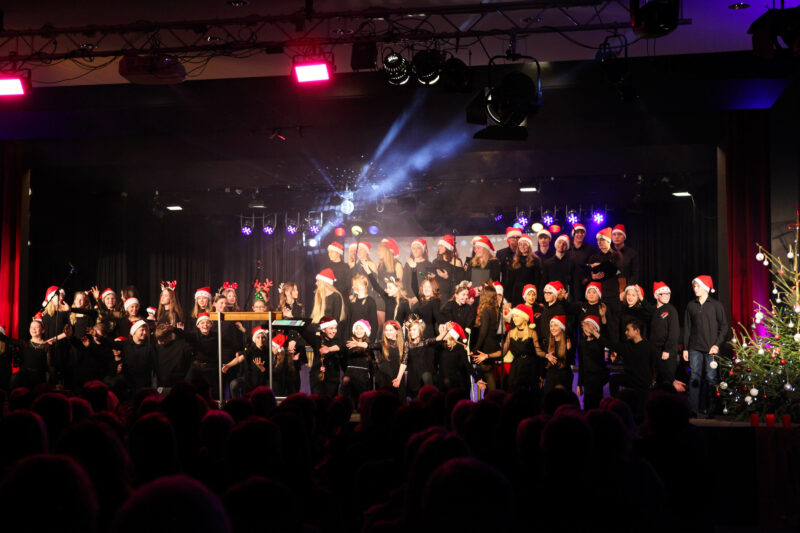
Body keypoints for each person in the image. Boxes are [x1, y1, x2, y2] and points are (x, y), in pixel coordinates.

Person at [593, 308, 657, 421]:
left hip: (643, 385)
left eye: (628, 330)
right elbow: (610, 344)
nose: (625, 332)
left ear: (637, 331)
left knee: (643, 414)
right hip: (631, 379)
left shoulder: (648, 346)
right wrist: (595, 333)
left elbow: (655, 364)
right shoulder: (627, 346)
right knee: (614, 379)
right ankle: (616, 404)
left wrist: (654, 379)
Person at [682, 275, 728, 417]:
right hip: (695, 347)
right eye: (694, 286)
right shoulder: (691, 305)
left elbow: (724, 326)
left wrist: (717, 345)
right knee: (694, 378)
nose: (695, 289)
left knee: (711, 378)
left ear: (705, 287)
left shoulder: (715, 305)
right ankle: (693, 409)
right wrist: (685, 348)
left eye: (698, 286)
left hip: (711, 348)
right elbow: (687, 328)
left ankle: (712, 408)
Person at [498, 304, 543, 393]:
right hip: (516, 366)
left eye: (517, 316)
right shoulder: (511, 333)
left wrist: (541, 373)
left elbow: (538, 353)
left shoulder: (532, 333)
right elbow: (502, 352)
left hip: (530, 367)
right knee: (513, 392)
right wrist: (487, 355)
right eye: (513, 316)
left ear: (524, 318)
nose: (514, 318)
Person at [469, 283, 502, 390]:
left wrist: (475, 349)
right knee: (488, 373)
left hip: (486, 347)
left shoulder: (486, 310)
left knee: (488, 374)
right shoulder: (495, 309)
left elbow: (483, 332)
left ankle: (493, 398)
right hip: (492, 345)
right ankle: (492, 398)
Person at [303, 316, 344, 397]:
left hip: (332, 380)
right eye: (331, 328)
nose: (334, 331)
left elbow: (342, 346)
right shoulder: (317, 340)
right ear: (323, 329)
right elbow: (303, 330)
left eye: (335, 328)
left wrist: (329, 349)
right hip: (316, 378)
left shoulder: (337, 340)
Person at [650, 282, 680, 387]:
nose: (667, 296)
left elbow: (674, 332)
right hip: (655, 350)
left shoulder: (671, 310)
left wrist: (667, 349)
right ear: (657, 295)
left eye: (668, 293)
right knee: (656, 380)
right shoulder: (653, 310)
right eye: (664, 293)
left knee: (667, 380)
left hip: (667, 351)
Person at [362, 260, 411, 325]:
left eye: (390, 288)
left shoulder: (404, 302)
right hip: (387, 331)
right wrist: (368, 271)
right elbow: (376, 286)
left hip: (398, 332)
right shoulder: (388, 298)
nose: (387, 290)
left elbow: (409, 318)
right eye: (387, 287)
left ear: (398, 288)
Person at [576, 315, 608, 410]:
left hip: (597, 379)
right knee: (587, 405)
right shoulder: (582, 343)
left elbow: (605, 336)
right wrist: (579, 384)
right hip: (587, 379)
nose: (587, 329)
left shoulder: (599, 342)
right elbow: (581, 364)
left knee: (597, 405)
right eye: (586, 326)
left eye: (590, 326)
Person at [587, 227, 622, 306]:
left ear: (608, 241)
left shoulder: (616, 255)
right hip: (597, 294)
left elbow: (620, 272)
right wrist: (593, 277)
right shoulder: (593, 257)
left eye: (602, 240)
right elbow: (588, 275)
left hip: (612, 293)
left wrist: (602, 266)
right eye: (598, 240)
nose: (599, 242)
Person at [343, 320, 373, 409]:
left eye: (361, 328)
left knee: (362, 403)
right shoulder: (348, 343)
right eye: (357, 328)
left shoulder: (369, 345)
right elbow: (343, 360)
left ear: (365, 331)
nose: (359, 331)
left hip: (363, 377)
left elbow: (371, 364)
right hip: (350, 374)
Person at [310, 269, 347, 340]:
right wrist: (317, 330)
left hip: (331, 333)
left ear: (324, 282)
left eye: (318, 281)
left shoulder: (336, 296)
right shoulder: (317, 295)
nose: (316, 283)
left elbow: (335, 319)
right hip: (319, 332)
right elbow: (315, 317)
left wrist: (323, 330)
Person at [506, 234, 542, 306]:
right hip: (516, 293)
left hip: (530, 292)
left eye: (525, 245)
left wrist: (539, 299)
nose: (522, 247)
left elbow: (538, 281)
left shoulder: (535, 261)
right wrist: (508, 299)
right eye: (520, 244)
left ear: (529, 246)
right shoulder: (514, 261)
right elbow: (510, 281)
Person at [542, 315, 573, 395]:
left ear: (561, 327)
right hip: (550, 378)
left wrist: (569, 350)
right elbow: (544, 364)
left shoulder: (567, 342)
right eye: (551, 326)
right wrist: (547, 356)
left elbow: (569, 363)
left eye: (555, 325)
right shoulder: (548, 343)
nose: (552, 328)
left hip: (563, 378)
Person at [566, 223, 599, 299]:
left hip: (586, 284)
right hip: (571, 286)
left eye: (582, 232)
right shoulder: (567, 249)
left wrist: (588, 278)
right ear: (573, 234)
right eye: (577, 232)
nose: (580, 234)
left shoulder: (591, 249)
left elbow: (594, 266)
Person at [542, 234, 578, 302]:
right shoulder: (547, 263)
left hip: (566, 297)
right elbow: (543, 282)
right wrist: (541, 300)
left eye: (564, 244)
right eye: (559, 242)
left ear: (567, 247)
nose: (561, 245)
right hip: (551, 297)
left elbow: (575, 283)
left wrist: (577, 300)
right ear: (556, 244)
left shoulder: (571, 263)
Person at [372, 320, 404, 397]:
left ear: (397, 331)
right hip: (384, 377)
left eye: (390, 330)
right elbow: (371, 345)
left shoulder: (403, 344)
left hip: (398, 376)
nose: (388, 332)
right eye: (386, 330)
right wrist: (362, 344)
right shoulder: (382, 343)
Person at [403, 238, 434, 306]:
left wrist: (417, 298)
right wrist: (409, 297)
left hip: (422, 299)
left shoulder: (428, 265)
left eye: (418, 248)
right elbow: (405, 282)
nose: (415, 250)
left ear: (422, 250)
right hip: (410, 299)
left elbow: (428, 283)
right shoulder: (408, 264)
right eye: (413, 248)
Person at [348, 273, 378, 343]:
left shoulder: (370, 301)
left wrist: (369, 342)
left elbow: (374, 324)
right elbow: (349, 322)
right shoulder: (352, 302)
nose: (353, 287)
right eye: (353, 285)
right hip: (354, 339)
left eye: (355, 285)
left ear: (363, 285)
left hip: (365, 339)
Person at [432, 235, 463, 303]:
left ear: (448, 247)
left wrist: (447, 277)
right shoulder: (435, 261)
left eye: (441, 246)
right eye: (439, 246)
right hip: (438, 295)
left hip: (451, 296)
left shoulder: (457, 262)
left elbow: (460, 282)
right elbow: (431, 276)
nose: (439, 248)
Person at [496, 227, 521, 295]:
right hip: (506, 287)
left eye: (518, 237)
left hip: (520, 287)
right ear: (508, 239)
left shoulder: (523, 253)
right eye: (513, 237)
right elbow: (497, 272)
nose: (515, 239)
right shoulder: (500, 253)